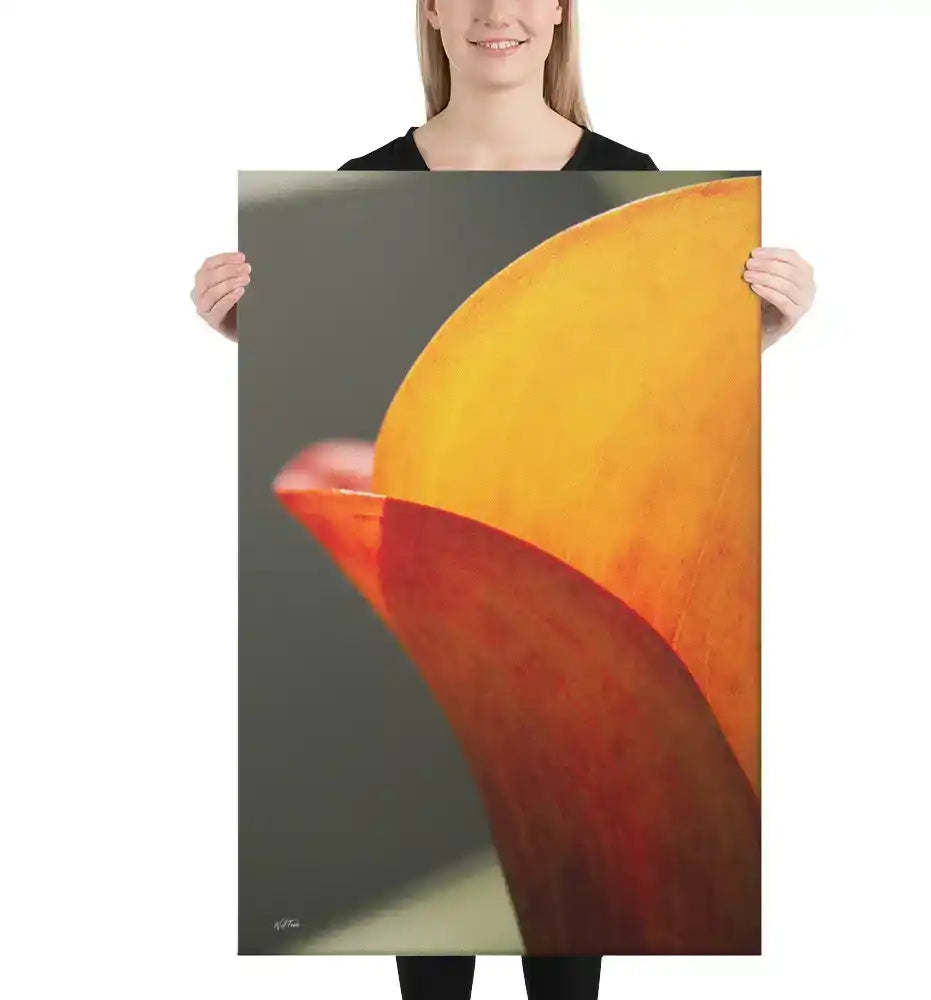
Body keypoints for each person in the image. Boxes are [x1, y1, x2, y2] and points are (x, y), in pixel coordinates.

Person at [191, 1, 816, 997]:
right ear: (429, 12)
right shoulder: (374, 179)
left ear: (563, 13)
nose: (496, 10)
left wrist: (766, 331)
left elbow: (658, 392)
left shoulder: (628, 161)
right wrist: (242, 332)